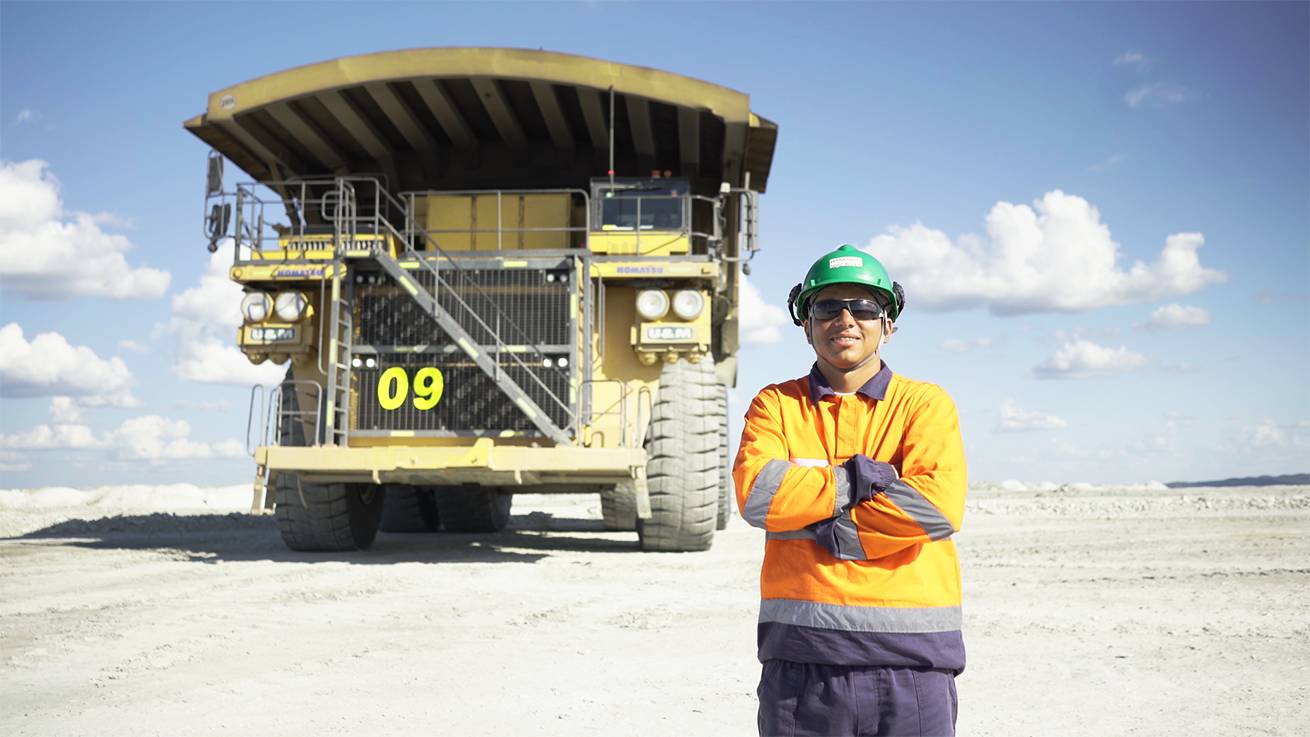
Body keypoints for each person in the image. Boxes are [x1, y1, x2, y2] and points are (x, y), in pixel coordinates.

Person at [733, 244, 968, 737]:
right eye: (827, 307)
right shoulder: (774, 405)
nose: (846, 319)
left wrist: (837, 529)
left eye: (863, 307)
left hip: (913, 667)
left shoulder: (924, 405)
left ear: (888, 323)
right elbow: (758, 495)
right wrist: (858, 479)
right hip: (801, 665)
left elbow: (934, 504)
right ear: (805, 322)